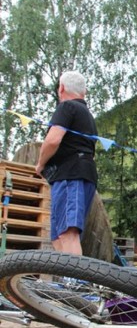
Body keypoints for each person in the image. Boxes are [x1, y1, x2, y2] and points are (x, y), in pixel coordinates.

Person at [35, 71, 98, 255]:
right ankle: (66, 282)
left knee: (68, 233)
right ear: (83, 91)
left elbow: (53, 140)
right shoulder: (87, 115)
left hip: (71, 176)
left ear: (61, 88)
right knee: (57, 237)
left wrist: (40, 164)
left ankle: (75, 283)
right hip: (77, 175)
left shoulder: (67, 107)